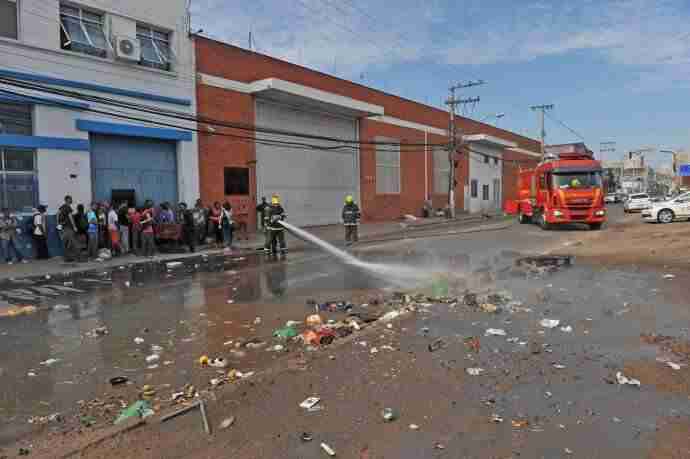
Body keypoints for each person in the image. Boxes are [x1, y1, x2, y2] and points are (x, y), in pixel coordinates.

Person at [57, 195, 78, 262]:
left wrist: (58, 224)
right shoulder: (68, 207)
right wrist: (74, 226)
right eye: (70, 199)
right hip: (68, 227)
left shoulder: (61, 207)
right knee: (71, 242)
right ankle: (74, 257)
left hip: (62, 228)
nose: (71, 200)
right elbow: (70, 217)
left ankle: (66, 258)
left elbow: (57, 214)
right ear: (68, 200)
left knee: (65, 243)